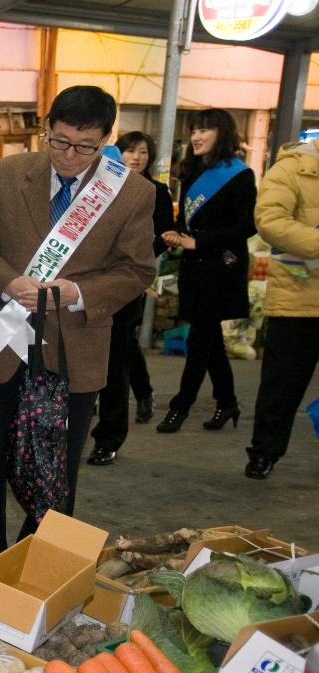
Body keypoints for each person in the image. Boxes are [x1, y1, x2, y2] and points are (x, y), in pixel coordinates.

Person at [0, 85, 154, 556]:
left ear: (106, 140)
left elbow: (137, 269)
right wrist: (10, 283)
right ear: (46, 129)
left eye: (85, 147)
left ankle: (34, 567)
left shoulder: (130, 192)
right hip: (4, 338)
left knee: (57, 468)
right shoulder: (7, 175)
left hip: (75, 347)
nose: (69, 155)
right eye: (60, 141)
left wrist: (78, 293)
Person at [156, 109, 257, 434]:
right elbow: (188, 223)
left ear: (222, 133)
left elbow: (246, 226)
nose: (196, 136)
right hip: (193, 266)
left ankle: (180, 406)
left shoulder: (240, 174)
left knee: (200, 339)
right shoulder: (192, 169)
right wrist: (175, 234)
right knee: (210, 338)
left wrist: (199, 242)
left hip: (220, 267)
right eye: (194, 130)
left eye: (204, 130)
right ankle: (227, 403)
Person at [86, 131, 173, 465]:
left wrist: (136, 274)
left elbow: (149, 243)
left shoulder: (144, 192)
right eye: (129, 151)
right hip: (72, 294)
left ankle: (109, 437)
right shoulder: (78, 183)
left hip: (119, 293)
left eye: (141, 152)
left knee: (114, 365)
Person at [245, 137, 319, 479]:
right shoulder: (292, 167)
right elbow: (270, 220)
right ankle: (264, 452)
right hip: (298, 297)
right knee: (282, 385)